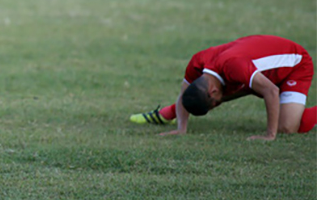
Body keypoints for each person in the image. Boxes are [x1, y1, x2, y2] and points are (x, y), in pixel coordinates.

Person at [130, 35, 316, 140]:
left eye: (214, 105)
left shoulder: (234, 67)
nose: (217, 106)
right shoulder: (198, 62)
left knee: (288, 127)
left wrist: (269, 135)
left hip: (295, 65)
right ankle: (170, 114)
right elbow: (185, 91)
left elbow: (271, 92)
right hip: (257, 74)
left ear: (213, 92)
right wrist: (182, 128)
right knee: (211, 92)